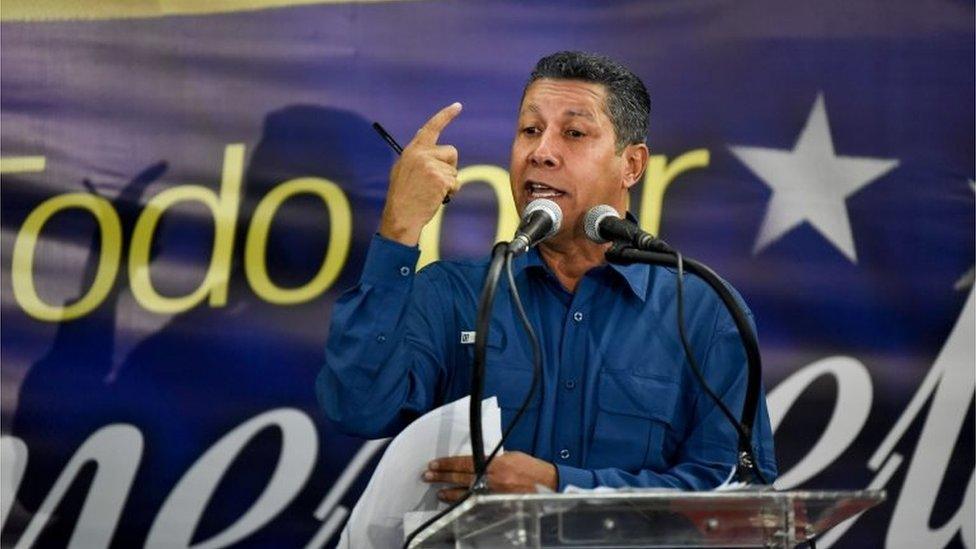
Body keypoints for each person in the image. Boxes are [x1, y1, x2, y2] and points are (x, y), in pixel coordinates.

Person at [316, 51, 777, 502]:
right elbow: (356, 407)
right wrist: (399, 228)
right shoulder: (453, 294)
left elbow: (741, 494)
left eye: (574, 133)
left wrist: (563, 488)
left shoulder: (704, 310)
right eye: (530, 130)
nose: (541, 152)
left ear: (631, 165)